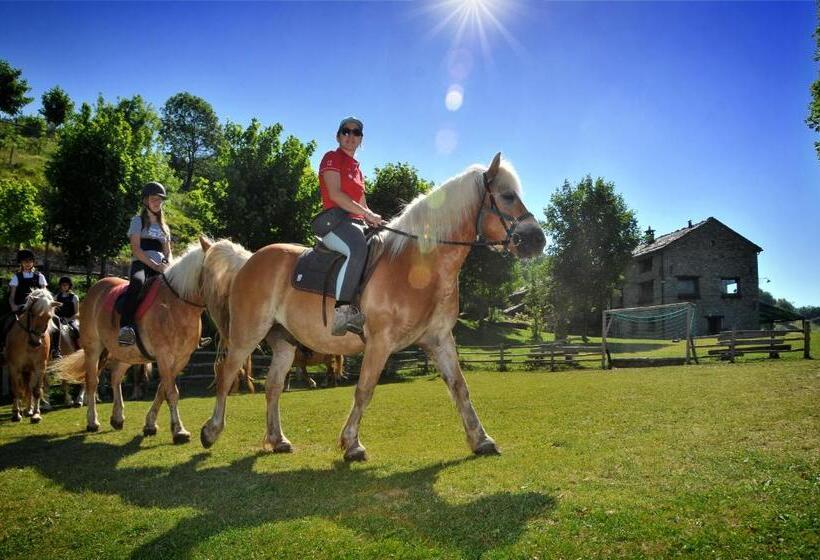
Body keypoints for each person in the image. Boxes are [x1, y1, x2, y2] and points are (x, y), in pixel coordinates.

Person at [318, 116, 383, 336]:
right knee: (357, 248)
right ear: (338, 136)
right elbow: (335, 194)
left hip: (357, 224)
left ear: (360, 140)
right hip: (335, 222)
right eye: (346, 131)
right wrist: (366, 214)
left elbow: (362, 203)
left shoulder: (358, 170)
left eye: (356, 133)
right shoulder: (331, 158)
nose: (350, 136)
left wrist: (375, 220)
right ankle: (342, 312)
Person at [118, 182, 172, 346]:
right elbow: (136, 249)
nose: (157, 202)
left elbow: (168, 251)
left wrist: (166, 264)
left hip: (161, 266)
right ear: (146, 201)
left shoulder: (164, 227)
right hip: (141, 263)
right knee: (137, 283)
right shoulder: (138, 221)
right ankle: (126, 327)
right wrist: (154, 266)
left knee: (180, 288)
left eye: (160, 200)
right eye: (153, 199)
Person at [1, 249, 48, 352]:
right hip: (20, 307)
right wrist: (13, 306)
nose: (27, 263)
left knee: (56, 321)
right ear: (21, 263)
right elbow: (12, 296)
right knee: (5, 321)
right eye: (24, 261)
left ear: (33, 262)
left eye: (29, 261)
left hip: (36, 309)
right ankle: (3, 346)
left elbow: (45, 295)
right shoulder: (16, 277)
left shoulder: (40, 276)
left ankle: (55, 350)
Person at [50, 276, 79, 360]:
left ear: (69, 286)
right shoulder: (56, 297)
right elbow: (52, 310)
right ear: (60, 286)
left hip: (70, 319)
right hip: (58, 319)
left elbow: (77, 313)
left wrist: (68, 319)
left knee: (76, 330)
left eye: (66, 285)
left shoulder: (74, 297)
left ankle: (79, 348)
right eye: (63, 285)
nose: (64, 286)